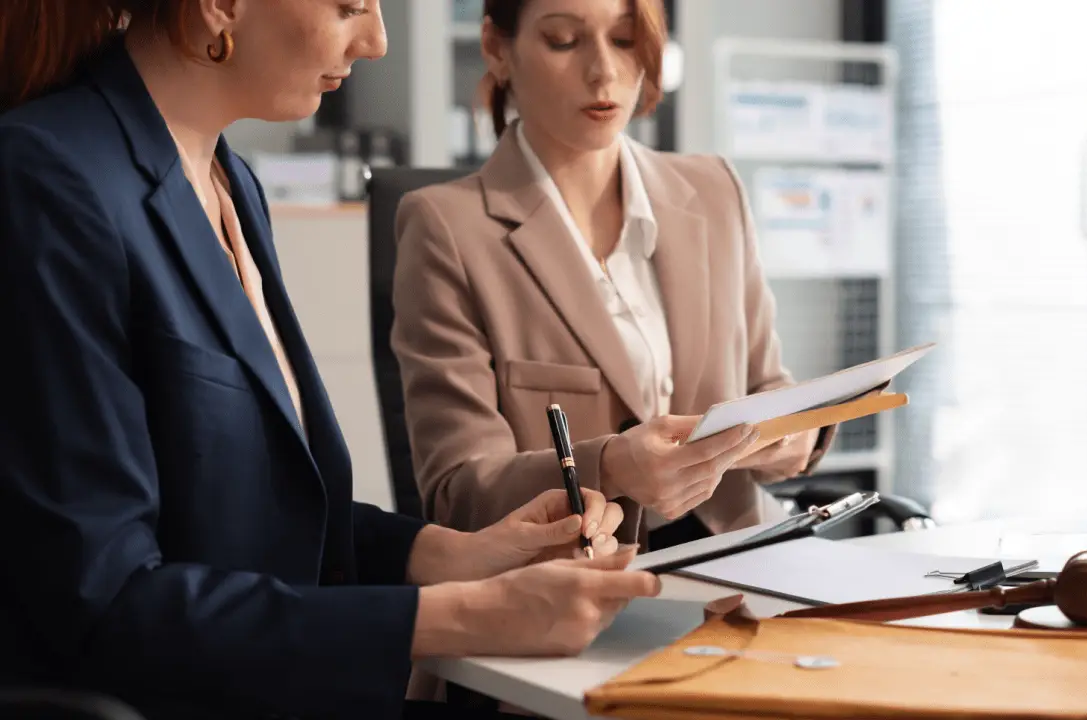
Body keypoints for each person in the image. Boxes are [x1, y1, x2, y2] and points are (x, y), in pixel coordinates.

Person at [0, 2, 660, 719]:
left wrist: (452, 556)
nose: (375, 42)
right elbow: (106, 601)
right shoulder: (48, 179)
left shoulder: (229, 182)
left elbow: (254, 517)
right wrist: (466, 615)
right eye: (350, 6)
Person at [390, 0, 837, 553]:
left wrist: (792, 432)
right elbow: (459, 493)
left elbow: (766, 385)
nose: (603, 70)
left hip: (743, 558)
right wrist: (614, 467)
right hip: (573, 585)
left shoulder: (714, 189)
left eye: (625, 40)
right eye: (563, 41)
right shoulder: (447, 229)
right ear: (497, 49)